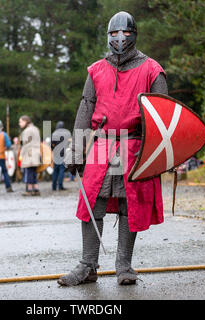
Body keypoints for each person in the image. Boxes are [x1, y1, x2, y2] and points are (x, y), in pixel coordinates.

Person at [58, 11, 168, 286]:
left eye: (125, 33)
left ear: (134, 35)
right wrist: (75, 150)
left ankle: (124, 266)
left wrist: (164, 154)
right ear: (108, 36)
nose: (120, 38)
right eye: (114, 34)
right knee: (91, 202)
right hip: (102, 144)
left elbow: (162, 116)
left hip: (134, 146)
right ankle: (87, 265)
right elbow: (86, 109)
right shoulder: (96, 70)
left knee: (128, 203)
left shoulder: (152, 70)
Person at [19, 115, 41, 196]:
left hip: (29, 153)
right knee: (34, 171)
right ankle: (36, 188)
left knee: (28, 171)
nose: (19, 124)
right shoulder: (36, 129)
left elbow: (25, 144)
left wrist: (21, 154)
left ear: (25, 121)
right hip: (36, 152)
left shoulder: (27, 131)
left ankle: (29, 189)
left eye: (21, 122)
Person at [51, 121, 71, 191]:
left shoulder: (54, 134)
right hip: (63, 153)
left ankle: (53, 186)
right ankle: (60, 186)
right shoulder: (66, 134)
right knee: (61, 170)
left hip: (56, 153)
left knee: (55, 170)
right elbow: (69, 143)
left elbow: (51, 144)